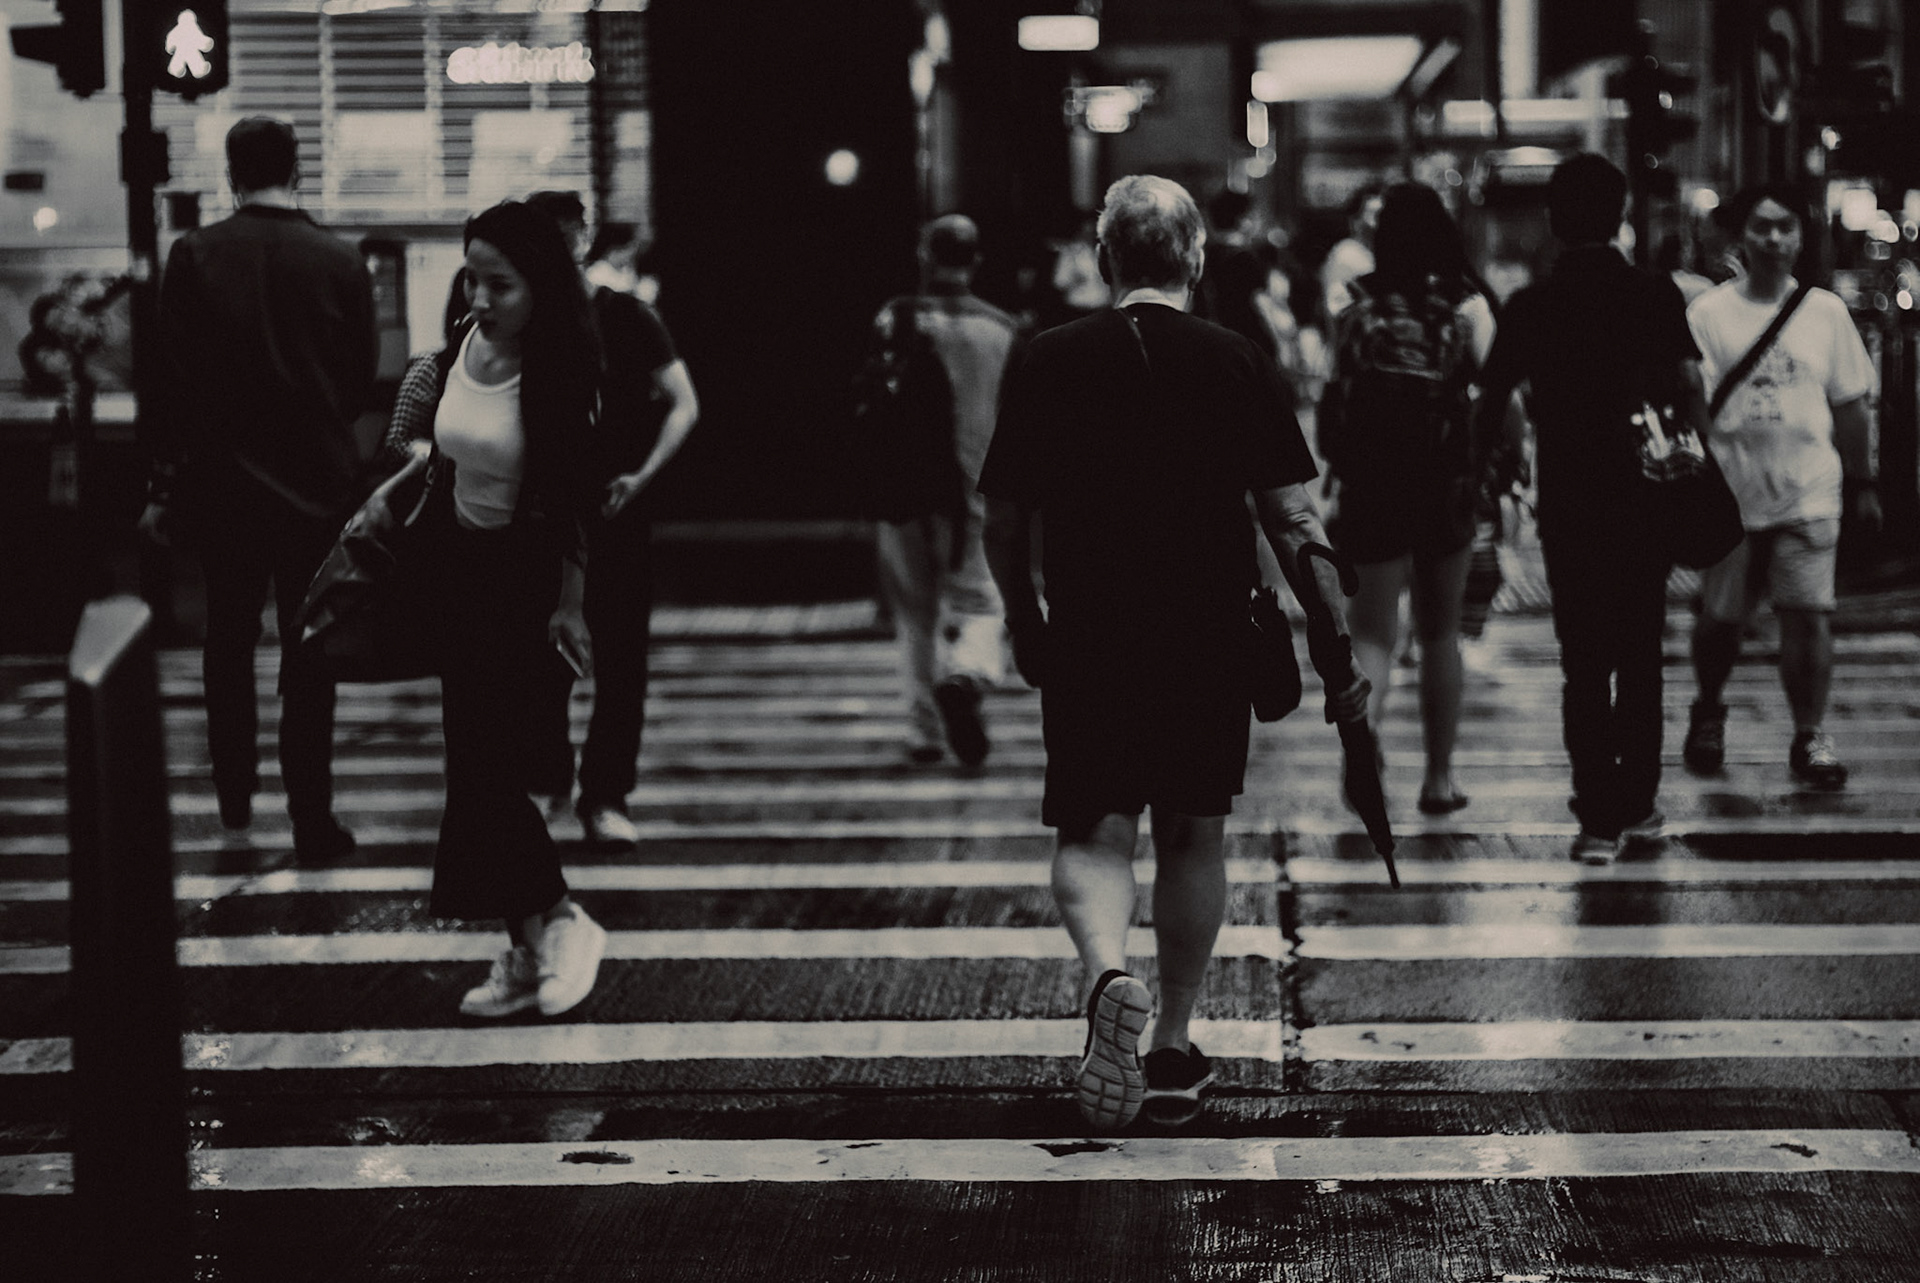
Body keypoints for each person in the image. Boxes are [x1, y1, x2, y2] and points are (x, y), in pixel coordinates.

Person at [980, 175, 1367, 1131]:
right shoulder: (1236, 357)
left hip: (1089, 620)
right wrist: (1335, 644)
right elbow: (1293, 518)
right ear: (1195, 259)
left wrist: (1023, 615)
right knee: (1193, 831)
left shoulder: (1047, 357)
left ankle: (1110, 975)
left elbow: (1003, 514)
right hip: (1205, 625)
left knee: (1093, 825)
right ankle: (1173, 1046)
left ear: (1107, 259)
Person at [381, 200, 606, 1018]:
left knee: (497, 771)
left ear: (541, 283)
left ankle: (564, 921)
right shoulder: (461, 350)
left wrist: (572, 607)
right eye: (472, 278)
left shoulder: (564, 369)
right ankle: (523, 944)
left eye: (499, 284)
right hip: (459, 574)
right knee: (472, 772)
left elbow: (579, 503)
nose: (479, 298)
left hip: (531, 584)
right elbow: (434, 459)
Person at [138, 117, 376, 861]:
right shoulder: (339, 259)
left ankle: (235, 790)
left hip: (224, 485)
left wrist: (164, 485)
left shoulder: (196, 255)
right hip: (316, 486)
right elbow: (359, 376)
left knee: (228, 637)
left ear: (233, 173)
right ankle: (312, 817)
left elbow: (171, 383)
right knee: (310, 652)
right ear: (296, 168)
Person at [1472, 154, 1710, 862]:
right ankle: (1638, 804)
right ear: (1622, 213)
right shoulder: (1655, 294)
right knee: (1641, 654)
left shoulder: (1532, 304)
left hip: (1572, 505)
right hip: (1646, 496)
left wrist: (1490, 468)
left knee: (1583, 662)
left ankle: (1597, 818)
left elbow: (1493, 400)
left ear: (1553, 219)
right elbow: (1690, 385)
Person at [1681, 184, 1881, 790]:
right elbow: (1692, 402)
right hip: (1730, 497)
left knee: (1809, 617)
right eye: (1762, 228)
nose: (1774, 239)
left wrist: (1863, 482)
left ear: (1801, 236)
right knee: (1722, 620)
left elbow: (1850, 406)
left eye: (1786, 227)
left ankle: (1809, 736)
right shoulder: (1709, 315)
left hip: (1808, 492)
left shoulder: (1826, 313)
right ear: (1741, 236)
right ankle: (1710, 707)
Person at [524, 190, 701, 845]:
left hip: (608, 508)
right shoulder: (522, 317)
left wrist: (642, 475)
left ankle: (598, 792)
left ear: (583, 236)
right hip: (549, 512)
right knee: (548, 658)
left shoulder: (623, 315)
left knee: (616, 660)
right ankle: (562, 785)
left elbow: (684, 402)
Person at [1318, 183, 1496, 816]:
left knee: (1372, 635)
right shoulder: (1466, 308)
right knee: (1441, 631)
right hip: (1444, 487)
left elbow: (1334, 399)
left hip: (1371, 487)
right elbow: (1502, 401)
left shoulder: (1355, 307)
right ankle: (1440, 779)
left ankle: (1362, 739)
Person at [868, 214, 1020, 765]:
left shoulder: (896, 318)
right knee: (983, 603)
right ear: (975, 261)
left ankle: (924, 729)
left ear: (925, 256)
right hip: (974, 493)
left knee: (916, 613)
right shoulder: (1001, 330)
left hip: (904, 491)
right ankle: (968, 675)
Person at [1193, 188, 1276, 360]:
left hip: (1213, 340)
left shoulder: (1205, 256)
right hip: (1248, 342)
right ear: (1243, 220)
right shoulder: (1246, 259)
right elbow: (1261, 305)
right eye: (1255, 216)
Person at [1321, 183, 1383, 321]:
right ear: (1354, 221)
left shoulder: (1379, 253)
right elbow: (1337, 308)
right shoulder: (1346, 254)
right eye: (1372, 213)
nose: (1376, 223)